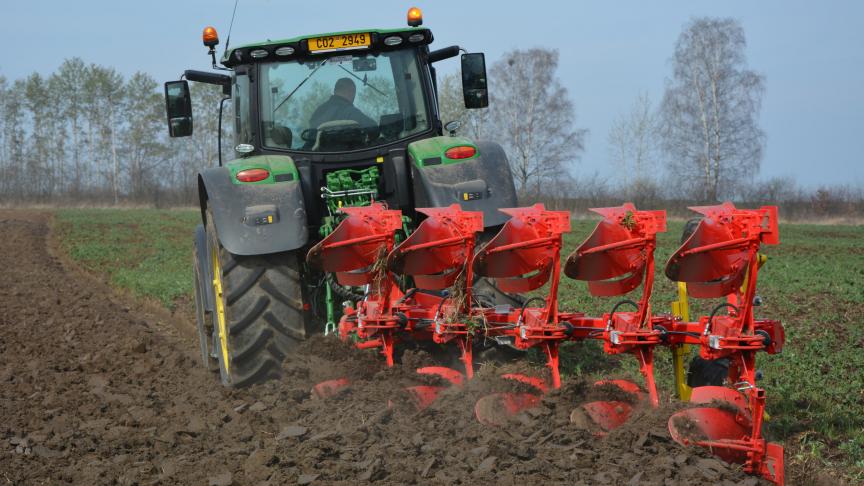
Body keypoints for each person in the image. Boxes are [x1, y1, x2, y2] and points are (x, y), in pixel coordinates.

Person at [308, 78, 376, 130]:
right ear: (351, 91)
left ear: (335, 91)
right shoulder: (351, 112)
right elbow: (373, 128)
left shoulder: (318, 112)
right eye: (354, 92)